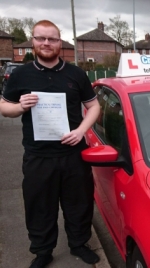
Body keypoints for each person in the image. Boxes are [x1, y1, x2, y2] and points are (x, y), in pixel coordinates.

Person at [0, 20, 100, 268]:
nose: (46, 43)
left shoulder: (76, 74)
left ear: (60, 42)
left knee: (79, 205)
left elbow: (94, 106)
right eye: (41, 38)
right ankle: (43, 251)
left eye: (52, 39)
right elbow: (4, 107)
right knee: (39, 207)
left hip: (73, 154)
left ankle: (79, 244)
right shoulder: (20, 74)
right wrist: (19, 107)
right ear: (33, 41)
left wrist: (81, 131)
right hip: (38, 156)